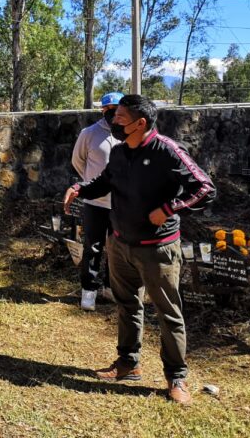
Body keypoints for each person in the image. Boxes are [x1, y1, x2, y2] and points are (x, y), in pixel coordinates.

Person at [64, 94, 216, 405]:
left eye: (119, 117)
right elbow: (105, 182)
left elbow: (204, 188)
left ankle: (176, 378)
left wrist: (169, 209)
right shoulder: (119, 151)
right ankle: (127, 363)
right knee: (127, 305)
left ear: (140, 123)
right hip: (120, 243)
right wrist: (79, 188)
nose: (113, 121)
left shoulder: (168, 150)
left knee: (168, 313)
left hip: (157, 249)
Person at [71, 91, 123, 311]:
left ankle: (111, 288)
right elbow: (78, 161)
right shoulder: (89, 133)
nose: (112, 113)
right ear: (102, 110)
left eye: (116, 109)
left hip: (120, 204)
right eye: (108, 109)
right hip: (95, 203)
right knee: (92, 247)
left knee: (117, 249)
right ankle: (89, 291)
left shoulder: (126, 133)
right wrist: (91, 184)